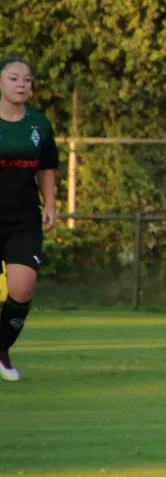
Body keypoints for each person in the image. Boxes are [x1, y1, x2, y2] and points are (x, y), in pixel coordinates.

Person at [0, 58, 58, 382]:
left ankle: (1, 350)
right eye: (13, 78)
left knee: (23, 288)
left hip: (23, 218)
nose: (21, 84)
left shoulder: (39, 124)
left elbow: (46, 168)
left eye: (26, 79)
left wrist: (50, 204)